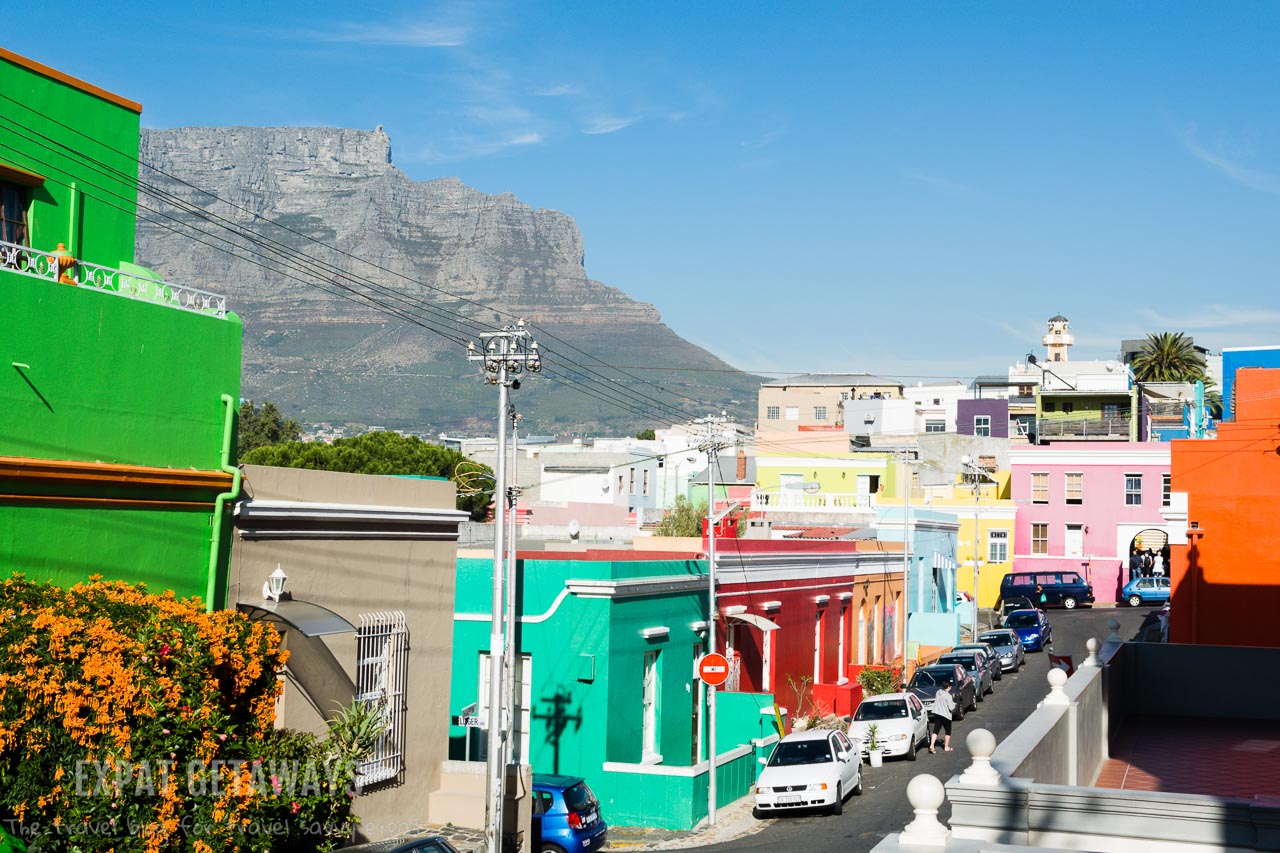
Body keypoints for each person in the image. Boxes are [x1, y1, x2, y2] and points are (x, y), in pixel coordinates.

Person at [928, 679, 956, 754]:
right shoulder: (948, 696)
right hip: (946, 716)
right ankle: (946, 747)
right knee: (948, 731)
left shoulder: (938, 692)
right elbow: (951, 708)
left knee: (936, 730)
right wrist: (953, 701)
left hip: (937, 713)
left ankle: (931, 745)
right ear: (949, 687)